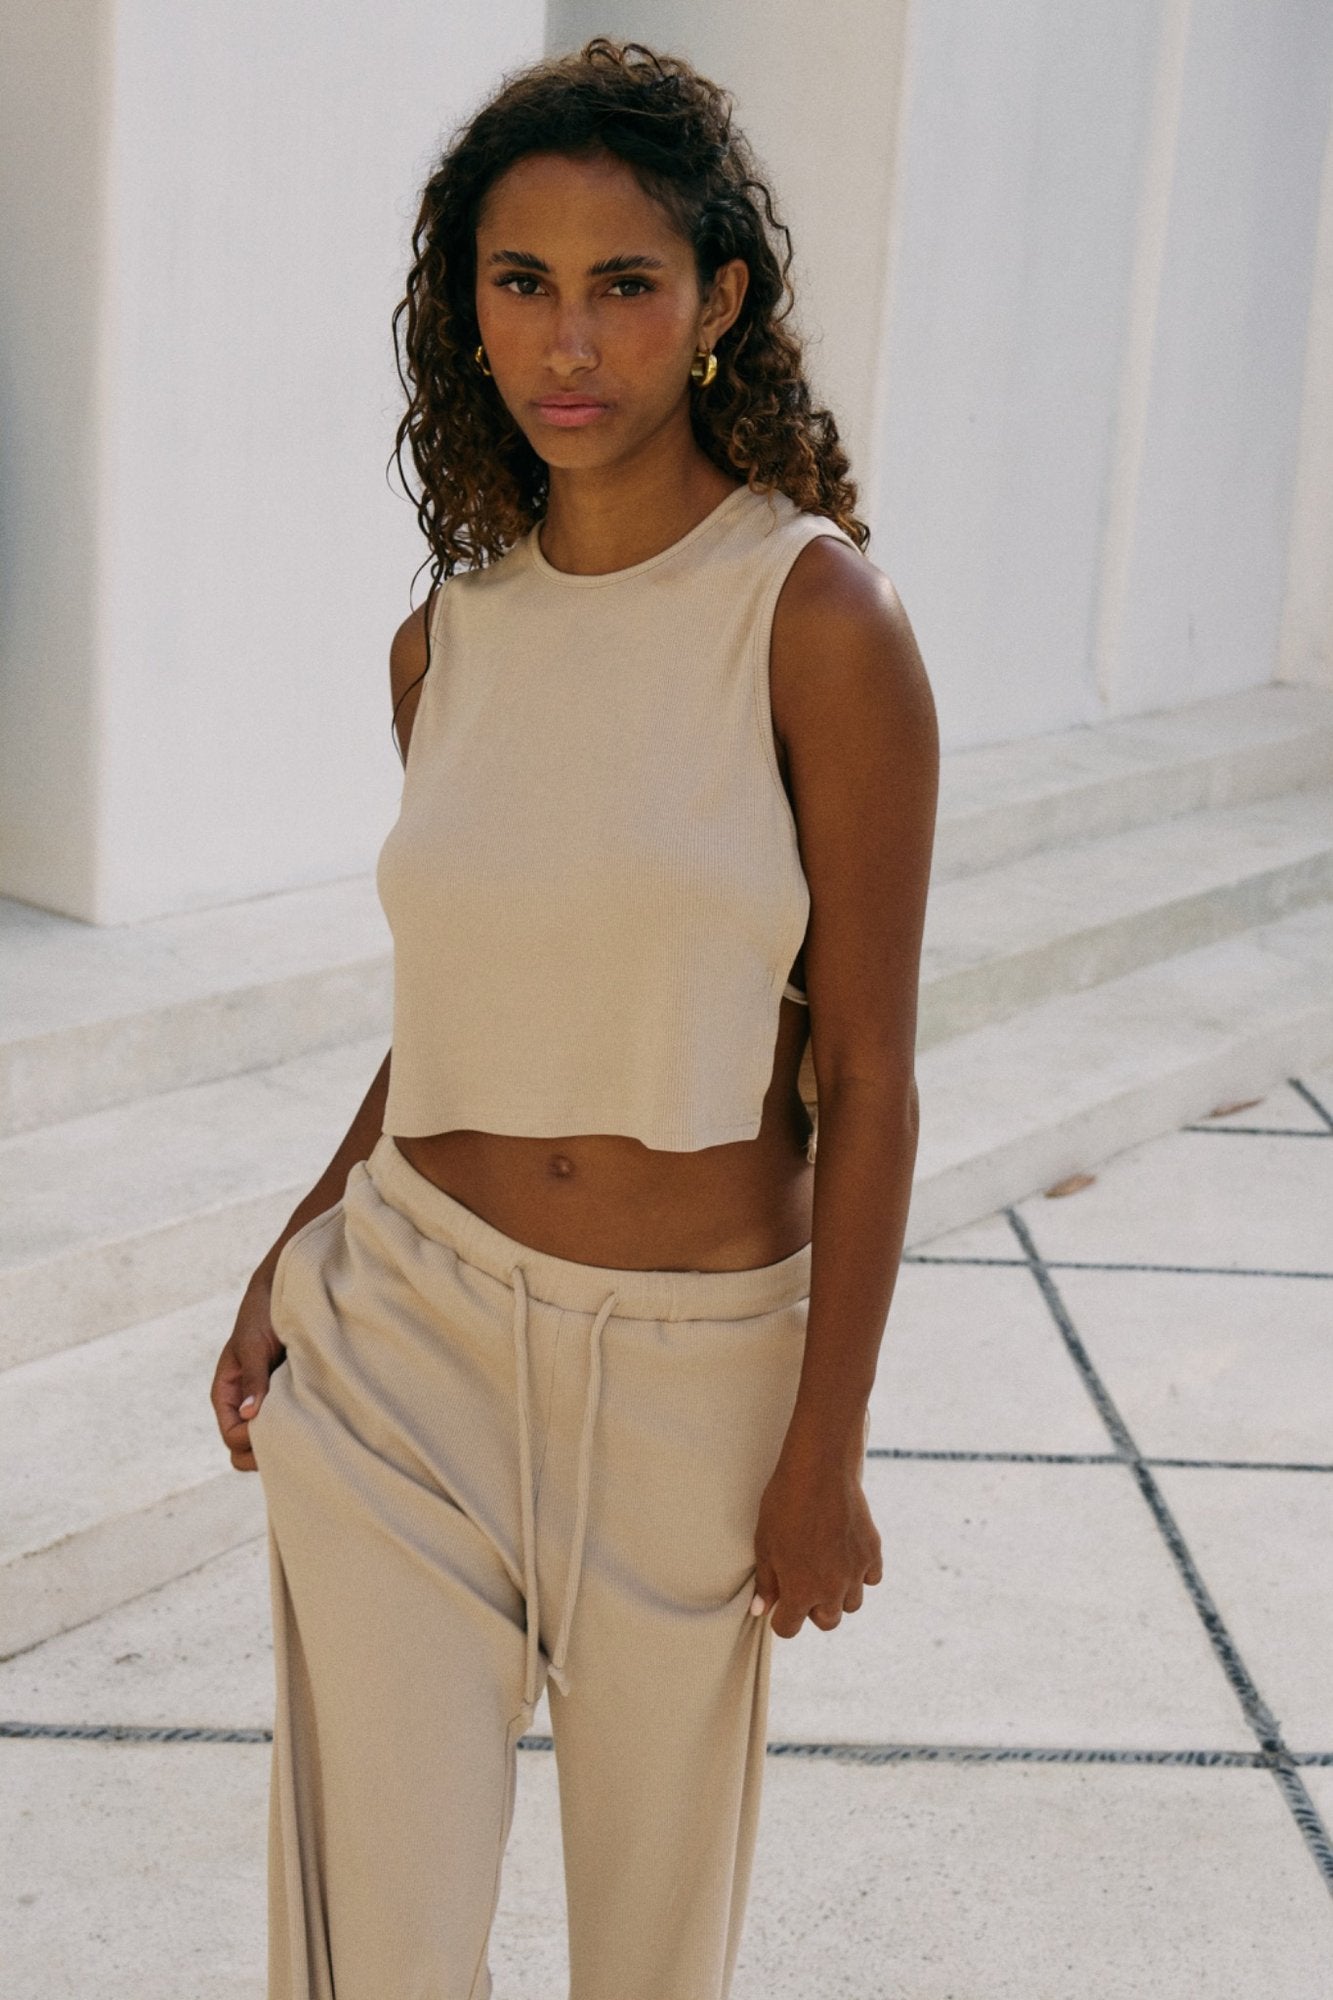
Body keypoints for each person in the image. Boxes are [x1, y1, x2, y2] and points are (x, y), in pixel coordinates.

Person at [210, 35, 938, 2000]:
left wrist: (825, 1448)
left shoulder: (810, 617)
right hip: (407, 1347)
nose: (570, 339)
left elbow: (868, 1072)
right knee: (378, 1951)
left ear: (716, 301)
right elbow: (468, 996)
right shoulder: (445, 634)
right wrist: (299, 1236)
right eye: (519, 282)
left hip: (695, 1387)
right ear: (466, 312)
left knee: (647, 1958)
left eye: (623, 282)